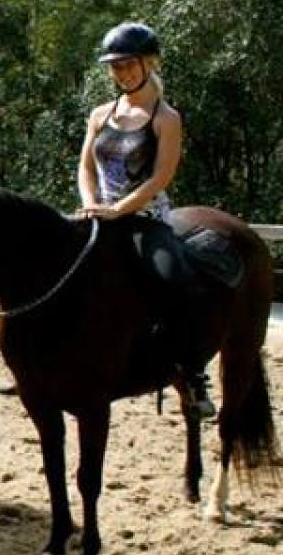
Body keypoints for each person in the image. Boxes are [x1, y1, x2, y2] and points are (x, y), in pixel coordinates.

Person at [76, 21, 215, 419]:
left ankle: (192, 377)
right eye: (115, 67)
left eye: (128, 64)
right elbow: (86, 165)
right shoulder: (101, 114)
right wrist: (91, 203)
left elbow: (161, 176)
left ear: (149, 62)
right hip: (97, 215)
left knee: (175, 281)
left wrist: (120, 209)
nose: (122, 73)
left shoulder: (165, 117)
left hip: (146, 220)